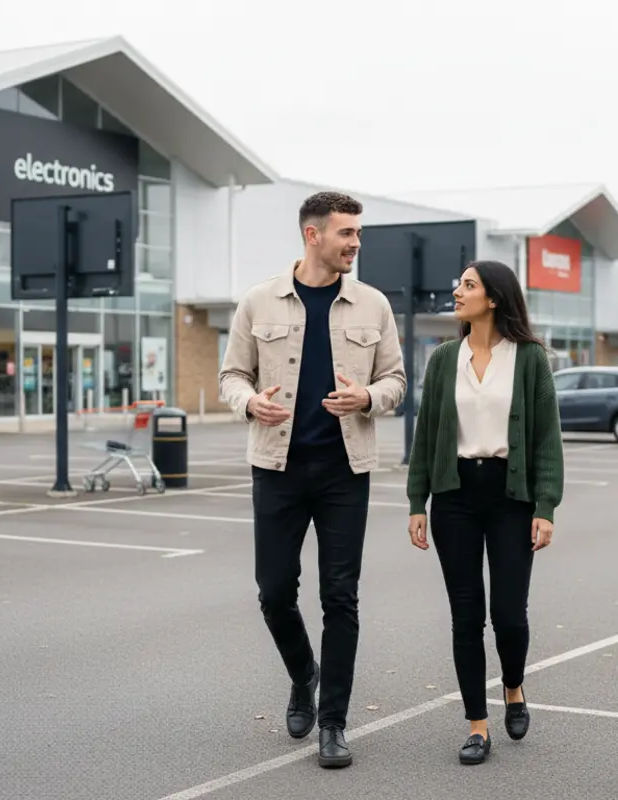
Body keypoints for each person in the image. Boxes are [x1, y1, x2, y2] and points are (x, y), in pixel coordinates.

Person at [218, 191, 407, 769]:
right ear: (312, 234)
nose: (354, 243)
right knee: (274, 592)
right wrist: (251, 403)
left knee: (340, 597)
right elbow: (231, 374)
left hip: (344, 471)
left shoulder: (373, 305)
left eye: (357, 234)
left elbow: (396, 381)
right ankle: (305, 674)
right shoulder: (258, 301)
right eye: (346, 233)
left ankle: (333, 724)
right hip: (276, 467)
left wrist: (367, 397)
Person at [405, 260, 565, 765]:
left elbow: (545, 438)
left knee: (509, 617)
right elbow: (427, 435)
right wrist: (417, 502)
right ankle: (477, 725)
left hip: (510, 497)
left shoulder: (530, 359)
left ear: (493, 298)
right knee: (466, 615)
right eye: (459, 283)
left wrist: (546, 506)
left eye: (468, 285)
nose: (457, 290)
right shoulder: (443, 358)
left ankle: (513, 686)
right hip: (454, 495)